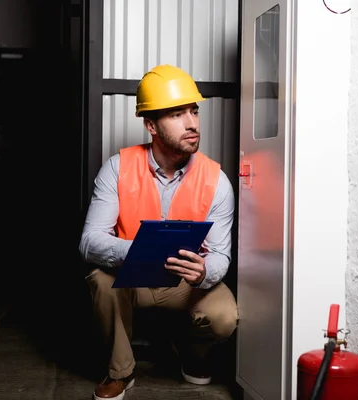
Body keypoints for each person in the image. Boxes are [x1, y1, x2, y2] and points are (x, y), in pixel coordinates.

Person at [79, 64, 239, 400]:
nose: (192, 123)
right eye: (177, 114)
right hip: (130, 279)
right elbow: (89, 240)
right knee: (99, 280)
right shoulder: (118, 167)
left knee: (223, 315)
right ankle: (120, 371)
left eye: (193, 111)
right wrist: (137, 251)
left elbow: (221, 254)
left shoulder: (216, 180)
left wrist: (203, 272)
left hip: (183, 285)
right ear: (151, 125)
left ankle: (192, 354)